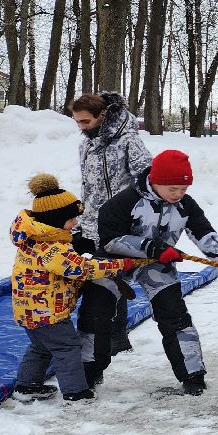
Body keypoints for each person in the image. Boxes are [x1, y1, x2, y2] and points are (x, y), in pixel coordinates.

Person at [95, 149, 218, 395]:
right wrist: (154, 248)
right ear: (154, 181)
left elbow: (204, 233)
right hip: (114, 265)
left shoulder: (184, 204)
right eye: (172, 189)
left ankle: (193, 377)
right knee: (96, 317)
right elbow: (110, 240)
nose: (178, 194)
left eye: (183, 189)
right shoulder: (124, 201)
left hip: (158, 266)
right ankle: (86, 376)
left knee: (175, 316)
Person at [10, 175, 139, 403]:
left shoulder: (34, 238)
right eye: (71, 219)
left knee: (40, 347)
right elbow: (82, 269)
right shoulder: (52, 248)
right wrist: (120, 264)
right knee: (67, 347)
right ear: (55, 220)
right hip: (47, 311)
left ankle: (26, 386)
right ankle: (75, 392)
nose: (75, 223)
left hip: (27, 309)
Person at [69, 92, 151, 388]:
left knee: (104, 291)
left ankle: (99, 359)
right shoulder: (86, 145)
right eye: (77, 122)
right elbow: (87, 187)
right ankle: (109, 347)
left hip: (122, 230)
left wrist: (134, 219)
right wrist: (81, 224)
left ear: (102, 115)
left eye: (85, 121)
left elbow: (147, 182)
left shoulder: (130, 141)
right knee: (103, 288)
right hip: (93, 227)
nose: (81, 127)